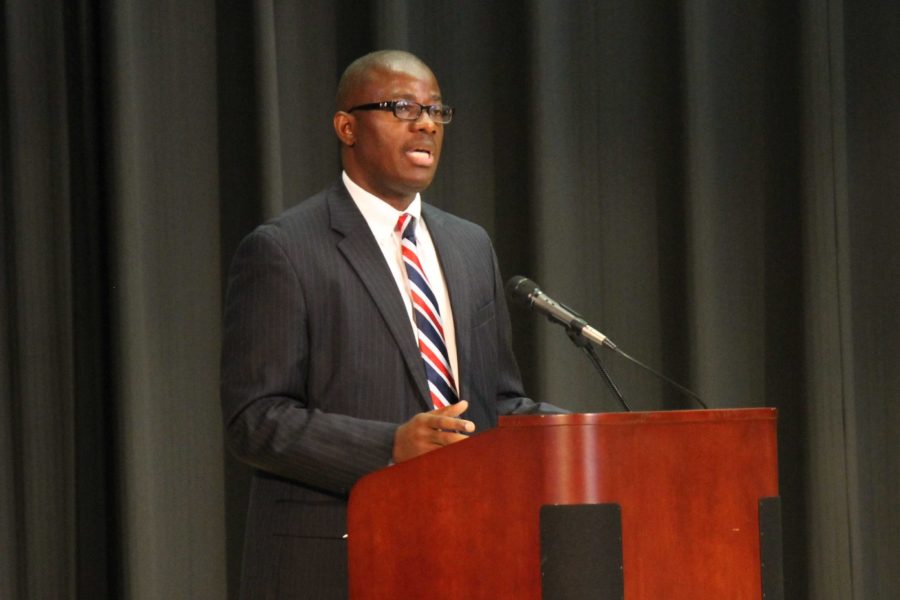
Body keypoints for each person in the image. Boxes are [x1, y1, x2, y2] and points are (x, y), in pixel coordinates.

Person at [221, 50, 547, 599]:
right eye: (402, 107)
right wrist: (390, 447)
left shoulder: (469, 246)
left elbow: (497, 402)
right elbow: (255, 419)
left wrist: (591, 432)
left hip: (465, 551)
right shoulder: (285, 249)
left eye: (436, 112)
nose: (425, 123)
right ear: (347, 127)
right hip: (336, 557)